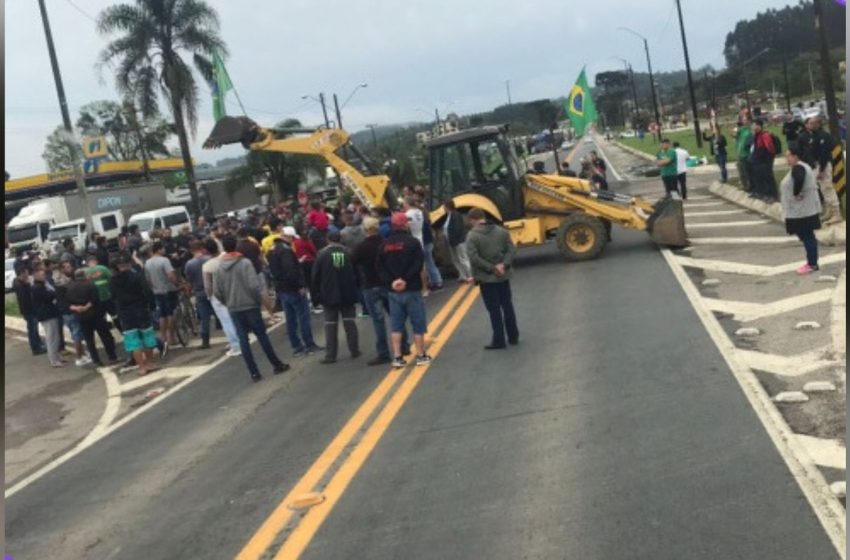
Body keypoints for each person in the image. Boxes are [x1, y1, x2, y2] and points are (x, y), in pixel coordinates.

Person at [214, 235, 289, 382]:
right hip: (250, 305)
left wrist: (228, 302)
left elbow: (217, 292)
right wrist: (256, 301)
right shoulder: (245, 263)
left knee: (243, 340)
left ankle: (254, 372)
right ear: (236, 246)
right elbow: (254, 286)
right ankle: (276, 364)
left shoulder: (219, 268)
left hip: (234, 307)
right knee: (262, 336)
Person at [353, 217, 411, 366]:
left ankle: (383, 352)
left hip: (370, 285)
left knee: (378, 321)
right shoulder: (386, 244)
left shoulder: (361, 247)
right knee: (396, 316)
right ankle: (404, 346)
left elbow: (352, 262)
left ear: (365, 230)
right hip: (388, 283)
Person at [377, 212, 432, 369]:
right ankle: (421, 355)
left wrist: (393, 281)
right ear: (404, 225)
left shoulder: (384, 245)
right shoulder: (413, 242)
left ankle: (398, 357)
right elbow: (419, 263)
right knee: (418, 324)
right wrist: (405, 279)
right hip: (412, 289)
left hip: (393, 292)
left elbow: (380, 268)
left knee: (396, 325)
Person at [465, 208, 519, 349]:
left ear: (473, 220)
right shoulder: (501, 231)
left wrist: (492, 268)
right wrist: (504, 265)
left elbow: (474, 258)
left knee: (494, 310)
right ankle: (513, 336)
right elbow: (511, 249)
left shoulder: (472, 236)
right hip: (504, 276)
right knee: (507, 305)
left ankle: (499, 340)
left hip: (487, 278)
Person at [268, 226, 322, 356]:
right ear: (289, 237)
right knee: (303, 317)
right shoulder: (286, 251)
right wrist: (299, 286)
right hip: (293, 288)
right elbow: (290, 270)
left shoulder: (272, 250)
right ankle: (309, 344)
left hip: (281, 288)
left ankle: (297, 347)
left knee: (290, 319)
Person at [311, 231, 360, 364]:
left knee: (330, 325)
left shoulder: (322, 255)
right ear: (341, 239)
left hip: (329, 294)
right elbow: (357, 273)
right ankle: (354, 350)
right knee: (350, 323)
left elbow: (315, 277)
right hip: (348, 293)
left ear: (327, 239)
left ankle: (331, 355)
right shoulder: (348, 253)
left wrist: (315, 297)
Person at [112, 253, 159, 375]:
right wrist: (152, 304)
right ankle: (149, 363)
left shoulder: (113, 280)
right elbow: (147, 290)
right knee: (147, 337)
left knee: (133, 341)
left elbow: (113, 297)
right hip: (140, 309)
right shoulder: (136, 276)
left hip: (125, 313)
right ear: (128, 264)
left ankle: (141, 367)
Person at [780, 144, 823, 275]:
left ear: (795, 156)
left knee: (807, 236)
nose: (786, 159)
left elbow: (799, 179)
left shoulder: (798, 168)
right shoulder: (802, 166)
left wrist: (796, 192)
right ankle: (812, 262)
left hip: (802, 211)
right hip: (803, 210)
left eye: (788, 156)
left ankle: (812, 263)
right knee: (806, 236)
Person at [66, 269, 118, 366]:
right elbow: (95, 300)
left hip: (81, 316)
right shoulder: (90, 285)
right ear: (84, 275)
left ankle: (96, 360)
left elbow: (68, 302)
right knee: (105, 336)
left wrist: (78, 308)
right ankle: (112, 356)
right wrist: (87, 307)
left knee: (89, 339)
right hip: (95, 314)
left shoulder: (70, 287)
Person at [798, 116, 843, 224]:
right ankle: (829, 211)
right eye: (810, 123)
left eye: (814, 123)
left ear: (818, 124)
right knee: (823, 189)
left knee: (828, 189)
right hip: (816, 165)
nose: (812, 125)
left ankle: (836, 213)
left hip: (824, 165)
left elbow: (824, 153)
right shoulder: (812, 136)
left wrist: (822, 170)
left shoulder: (823, 135)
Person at [202, 239, 241, 357]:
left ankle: (236, 345)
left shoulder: (207, 266)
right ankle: (241, 339)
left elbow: (207, 285)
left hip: (217, 295)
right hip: (232, 290)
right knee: (236, 317)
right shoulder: (226, 258)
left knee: (226, 321)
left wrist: (209, 295)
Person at [55, 258, 91, 366]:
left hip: (71, 310)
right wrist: (75, 307)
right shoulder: (62, 282)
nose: (70, 268)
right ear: (61, 269)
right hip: (69, 311)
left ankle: (83, 354)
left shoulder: (68, 279)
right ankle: (79, 357)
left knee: (77, 334)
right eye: (67, 267)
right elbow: (64, 299)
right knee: (77, 335)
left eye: (70, 266)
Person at [144, 241, 180, 346]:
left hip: (157, 291)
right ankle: (172, 337)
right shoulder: (164, 260)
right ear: (159, 249)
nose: (164, 250)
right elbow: (171, 275)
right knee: (170, 314)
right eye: (163, 248)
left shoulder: (147, 263)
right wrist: (176, 284)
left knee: (162, 315)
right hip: (168, 290)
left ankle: (163, 337)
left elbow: (148, 280)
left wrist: (154, 287)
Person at [31, 265, 65, 367]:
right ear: (35, 275)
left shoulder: (44, 285)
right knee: (51, 337)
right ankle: (53, 360)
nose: (44, 276)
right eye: (41, 275)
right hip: (46, 314)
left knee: (56, 336)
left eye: (44, 274)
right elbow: (47, 297)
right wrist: (53, 293)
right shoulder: (37, 287)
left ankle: (57, 356)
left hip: (51, 312)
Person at [184, 240, 214, 349]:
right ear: (202, 248)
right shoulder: (209, 259)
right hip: (213, 289)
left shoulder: (189, 264)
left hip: (199, 291)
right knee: (222, 313)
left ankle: (205, 341)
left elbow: (189, 279)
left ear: (191, 250)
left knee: (204, 317)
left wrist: (189, 289)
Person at [13, 266, 45, 355]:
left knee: (34, 328)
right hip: (28, 310)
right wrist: (27, 285)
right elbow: (26, 298)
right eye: (26, 273)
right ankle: (35, 348)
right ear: (22, 274)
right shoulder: (20, 285)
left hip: (28, 310)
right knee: (32, 329)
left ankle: (38, 344)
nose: (28, 275)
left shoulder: (19, 282)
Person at [442, 199, 472, 283]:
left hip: (458, 241)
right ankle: (462, 275)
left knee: (463, 258)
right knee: (455, 259)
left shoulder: (456, 215)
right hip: (451, 242)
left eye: (444, 207)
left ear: (448, 207)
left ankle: (470, 275)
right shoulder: (448, 216)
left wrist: (454, 239)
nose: (443, 209)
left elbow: (457, 229)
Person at [749, 119, 779, 201]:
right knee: (761, 177)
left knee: (768, 177)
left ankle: (772, 195)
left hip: (766, 160)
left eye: (754, 125)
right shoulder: (756, 135)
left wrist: (768, 158)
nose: (752, 127)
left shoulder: (765, 135)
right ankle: (763, 193)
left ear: (759, 126)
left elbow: (770, 148)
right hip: (759, 160)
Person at [734, 118, 753, 193]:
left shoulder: (749, 132)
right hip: (740, 154)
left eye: (746, 121)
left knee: (746, 172)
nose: (744, 122)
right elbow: (734, 135)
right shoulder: (740, 131)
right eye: (743, 121)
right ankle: (744, 185)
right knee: (741, 171)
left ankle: (749, 186)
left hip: (746, 154)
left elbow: (750, 144)